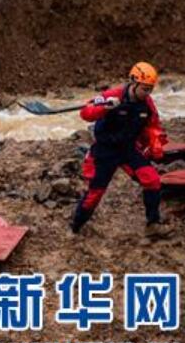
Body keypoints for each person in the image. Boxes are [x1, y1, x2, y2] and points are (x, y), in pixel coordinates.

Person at [70, 62, 170, 239]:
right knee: (95, 194)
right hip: (105, 151)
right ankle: (75, 226)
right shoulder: (112, 95)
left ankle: (153, 224)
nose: (147, 94)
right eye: (145, 89)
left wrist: (156, 141)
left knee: (152, 180)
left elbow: (154, 124)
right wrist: (104, 107)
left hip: (128, 149)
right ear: (133, 82)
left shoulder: (147, 103)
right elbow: (85, 113)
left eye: (150, 89)